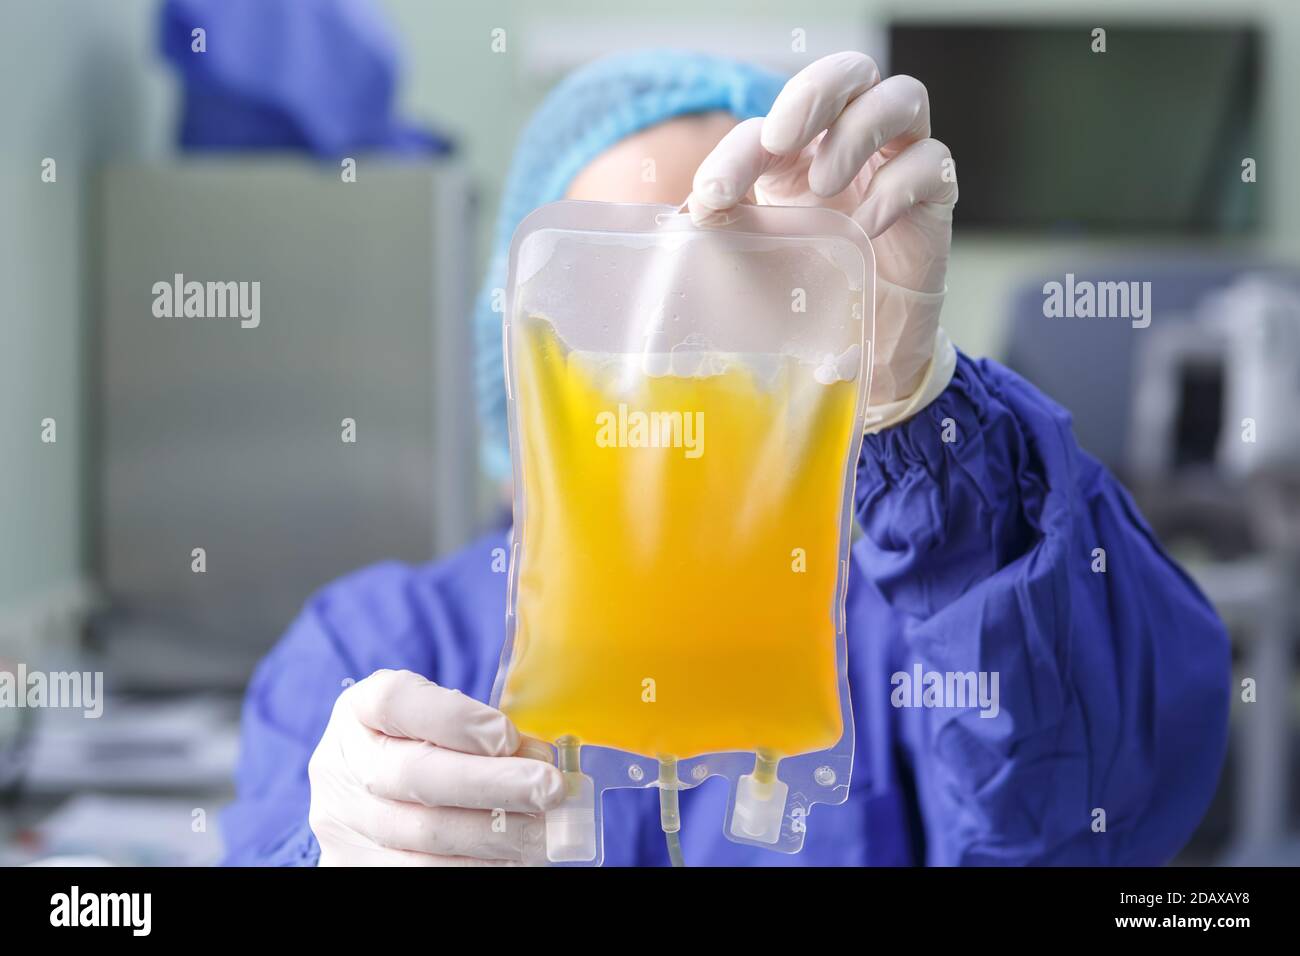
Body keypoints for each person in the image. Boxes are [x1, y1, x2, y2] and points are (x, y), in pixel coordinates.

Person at [221, 50, 1230, 866]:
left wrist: (919, 407)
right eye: (611, 297)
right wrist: (333, 855)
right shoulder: (379, 646)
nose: (673, 361)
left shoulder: (910, 642)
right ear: (514, 356)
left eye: (732, 300)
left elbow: (1101, 814)